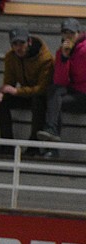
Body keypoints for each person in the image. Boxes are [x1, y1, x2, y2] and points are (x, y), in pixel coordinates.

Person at [0, 27, 53, 156]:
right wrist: (1, 93)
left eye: (22, 43)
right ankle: (7, 144)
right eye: (15, 44)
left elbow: (42, 88)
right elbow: (9, 81)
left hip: (44, 96)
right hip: (26, 93)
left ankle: (33, 145)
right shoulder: (10, 57)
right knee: (2, 102)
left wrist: (16, 91)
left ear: (29, 42)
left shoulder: (45, 59)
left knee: (38, 101)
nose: (19, 48)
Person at [37, 18, 86, 158]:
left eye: (71, 33)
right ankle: (52, 135)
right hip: (74, 91)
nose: (68, 37)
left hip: (83, 93)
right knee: (53, 92)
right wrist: (64, 58)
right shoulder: (62, 52)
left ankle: (52, 143)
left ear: (78, 33)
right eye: (65, 33)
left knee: (54, 102)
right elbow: (60, 81)